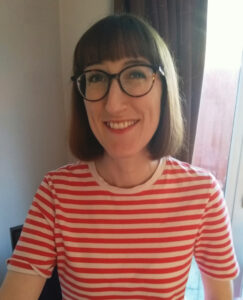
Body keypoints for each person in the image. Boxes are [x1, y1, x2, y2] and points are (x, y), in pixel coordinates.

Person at [0, 14, 239, 300]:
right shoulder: (55, 193)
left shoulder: (203, 194)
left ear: (164, 88)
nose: (113, 105)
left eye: (136, 74)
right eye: (97, 77)